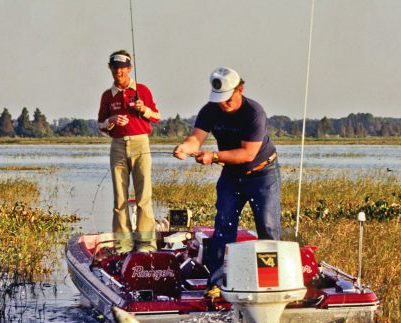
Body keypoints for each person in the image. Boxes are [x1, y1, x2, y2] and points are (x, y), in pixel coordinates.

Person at [173, 67, 281, 297]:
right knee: (223, 225)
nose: (224, 105)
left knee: (268, 226)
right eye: (220, 100)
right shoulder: (210, 110)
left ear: (240, 89)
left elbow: (247, 154)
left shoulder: (254, 112)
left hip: (262, 173)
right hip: (232, 176)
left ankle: (272, 282)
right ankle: (215, 283)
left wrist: (213, 157)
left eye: (228, 99)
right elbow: (196, 138)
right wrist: (185, 147)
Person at [97, 50, 161, 254]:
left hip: (141, 144)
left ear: (129, 69)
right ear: (111, 69)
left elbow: (157, 116)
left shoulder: (142, 90)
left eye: (122, 68)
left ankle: (146, 244)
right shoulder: (108, 96)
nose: (119, 72)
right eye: (115, 68)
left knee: (143, 197)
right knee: (119, 199)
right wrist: (111, 121)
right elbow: (100, 124)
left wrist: (144, 109)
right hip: (117, 145)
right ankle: (123, 245)